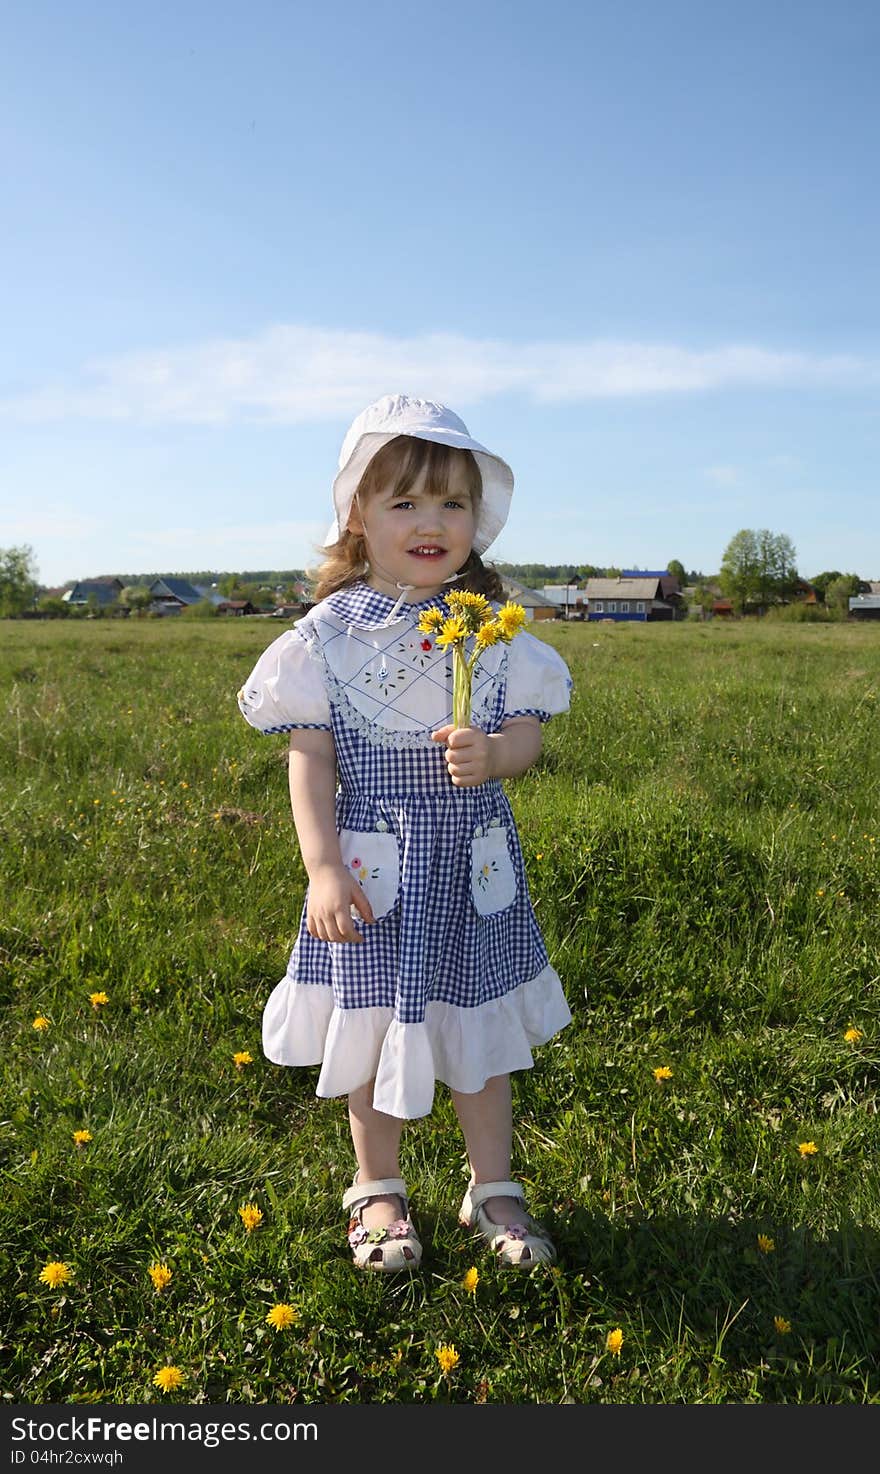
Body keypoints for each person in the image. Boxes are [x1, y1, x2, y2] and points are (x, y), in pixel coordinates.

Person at [237, 393, 573, 1272]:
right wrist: (320, 868)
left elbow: (530, 730)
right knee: (371, 1025)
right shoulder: (325, 640)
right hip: (375, 871)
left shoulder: (491, 629)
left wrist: (498, 755)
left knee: (480, 1035)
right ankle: (376, 1187)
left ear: (477, 519)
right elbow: (308, 759)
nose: (433, 522)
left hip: (469, 871)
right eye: (405, 503)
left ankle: (492, 1184)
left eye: (453, 504)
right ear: (359, 515)